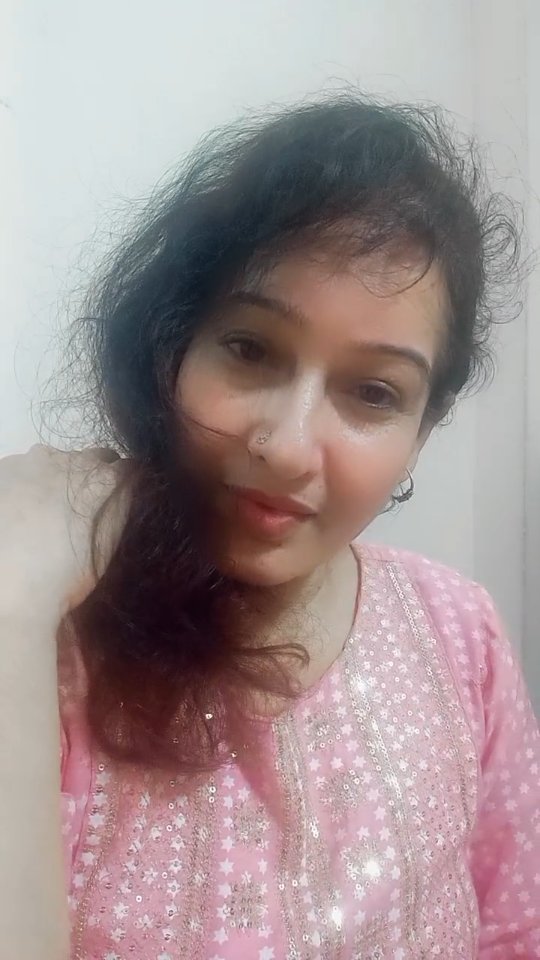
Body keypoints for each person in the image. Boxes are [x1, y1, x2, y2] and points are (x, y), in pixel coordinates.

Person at [1, 95, 539, 960]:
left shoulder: (460, 635)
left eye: (373, 393)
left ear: (421, 432)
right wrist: (10, 604)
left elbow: (518, 929)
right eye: (250, 349)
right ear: (172, 348)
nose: (286, 448)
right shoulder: (46, 658)